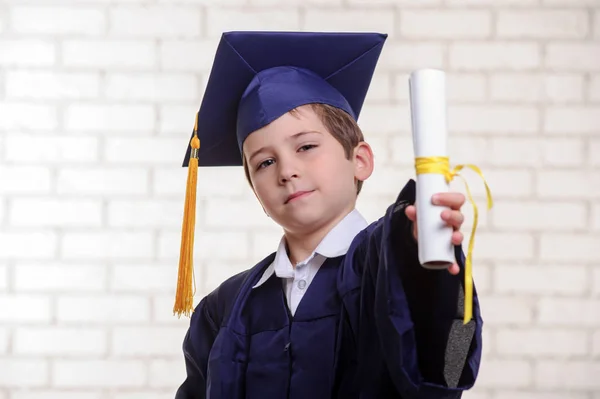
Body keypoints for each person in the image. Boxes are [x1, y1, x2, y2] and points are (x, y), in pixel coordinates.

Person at [174, 31, 483, 398]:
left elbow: (448, 367)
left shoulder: (392, 261)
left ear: (361, 161)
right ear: (256, 193)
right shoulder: (223, 307)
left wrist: (421, 261)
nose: (286, 171)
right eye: (265, 162)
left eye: (306, 146)